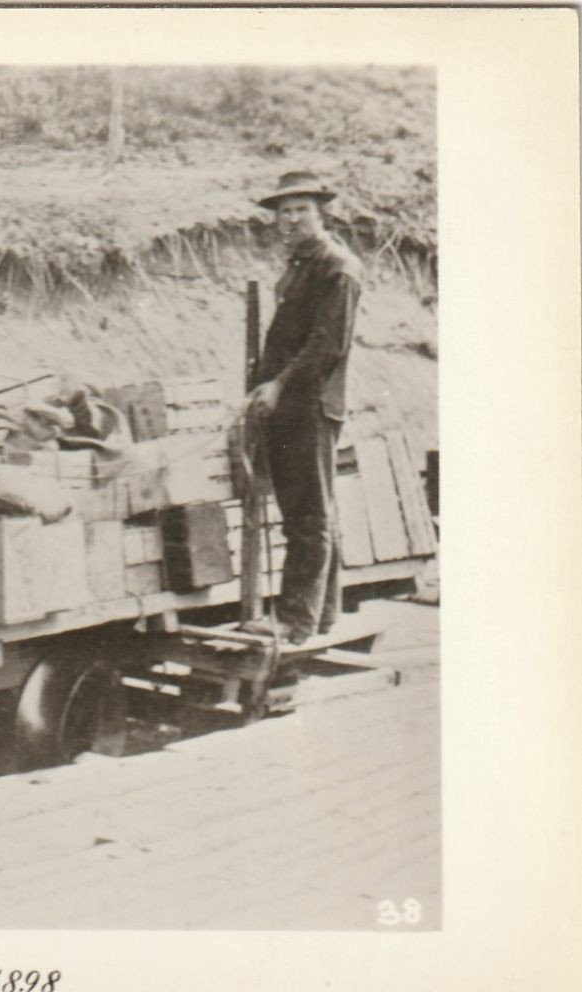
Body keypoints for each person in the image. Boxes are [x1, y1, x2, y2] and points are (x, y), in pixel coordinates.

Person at [246, 170, 363, 645]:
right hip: (289, 402)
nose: (291, 219)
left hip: (310, 405)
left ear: (322, 213)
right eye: (284, 212)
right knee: (313, 509)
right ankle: (324, 614)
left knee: (307, 515)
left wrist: (278, 385)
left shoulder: (338, 267)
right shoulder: (301, 264)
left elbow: (326, 345)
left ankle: (294, 622)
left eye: (301, 210)